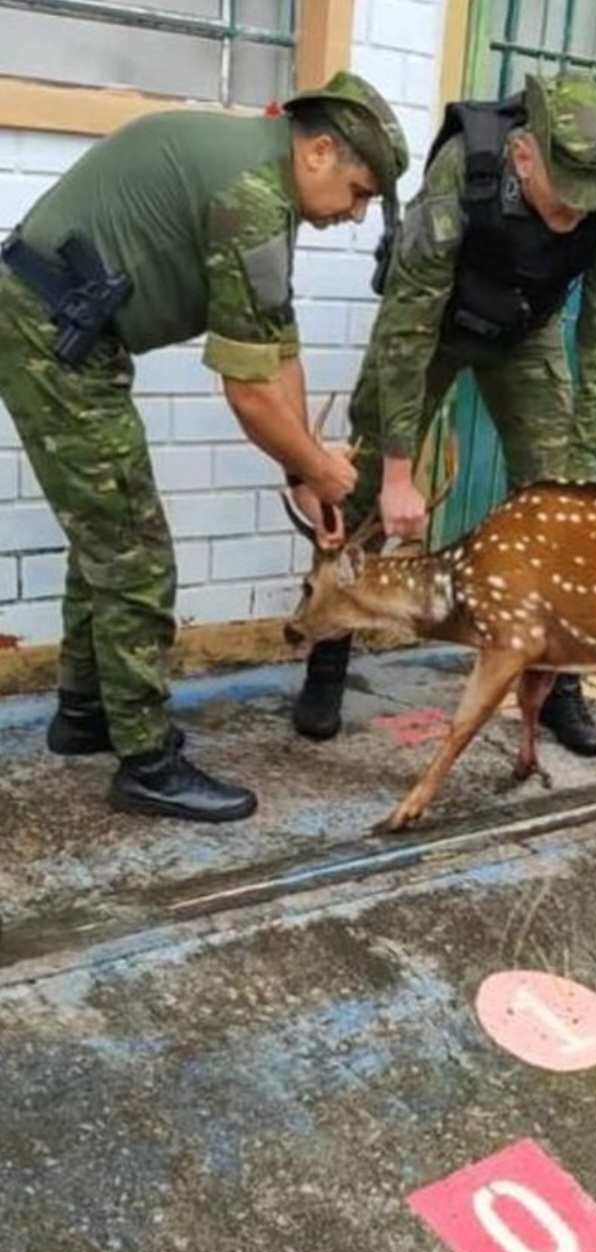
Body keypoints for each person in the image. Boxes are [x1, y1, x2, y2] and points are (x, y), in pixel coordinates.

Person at [0, 72, 408, 822]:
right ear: (319, 151)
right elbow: (247, 394)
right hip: (46, 336)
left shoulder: (264, 182)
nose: (356, 215)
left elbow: (275, 350)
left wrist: (303, 470)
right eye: (359, 192)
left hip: (67, 333)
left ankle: (86, 713)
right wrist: (328, 472)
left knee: (103, 531)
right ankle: (147, 764)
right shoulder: (252, 196)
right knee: (133, 549)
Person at [292, 71, 596, 758]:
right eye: (561, 200)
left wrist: (581, 472)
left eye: (585, 204)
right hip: (435, 322)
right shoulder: (465, 172)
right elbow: (405, 323)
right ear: (522, 158)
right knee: (356, 488)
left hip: (523, 331)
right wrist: (397, 471)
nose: (573, 216)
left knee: (559, 503)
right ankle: (327, 657)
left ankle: (555, 679)